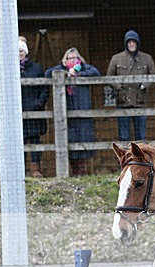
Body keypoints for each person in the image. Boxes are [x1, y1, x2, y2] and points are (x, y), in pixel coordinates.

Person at [46, 47, 100, 176]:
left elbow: (96, 73)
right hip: (66, 111)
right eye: (69, 58)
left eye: (75, 57)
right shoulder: (62, 69)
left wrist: (78, 73)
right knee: (68, 140)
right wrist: (66, 73)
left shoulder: (85, 69)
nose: (72, 60)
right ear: (65, 60)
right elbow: (48, 73)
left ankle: (82, 171)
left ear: (79, 59)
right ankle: (74, 171)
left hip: (82, 109)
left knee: (84, 139)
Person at [106, 30, 155, 142]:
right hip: (123, 100)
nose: (131, 44)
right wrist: (118, 86)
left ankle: (140, 158)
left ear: (137, 43)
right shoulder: (116, 58)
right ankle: (126, 158)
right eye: (129, 42)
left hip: (140, 101)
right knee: (124, 136)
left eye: (134, 42)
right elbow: (109, 77)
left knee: (141, 136)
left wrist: (144, 85)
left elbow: (154, 76)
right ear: (126, 44)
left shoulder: (147, 58)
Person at [19, 36, 49, 178]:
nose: (20, 53)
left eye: (22, 51)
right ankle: (22, 170)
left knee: (35, 141)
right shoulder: (10, 69)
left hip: (34, 110)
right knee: (20, 142)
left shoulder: (36, 68)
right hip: (18, 112)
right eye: (17, 51)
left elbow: (44, 88)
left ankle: (35, 169)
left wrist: (39, 103)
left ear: (26, 52)